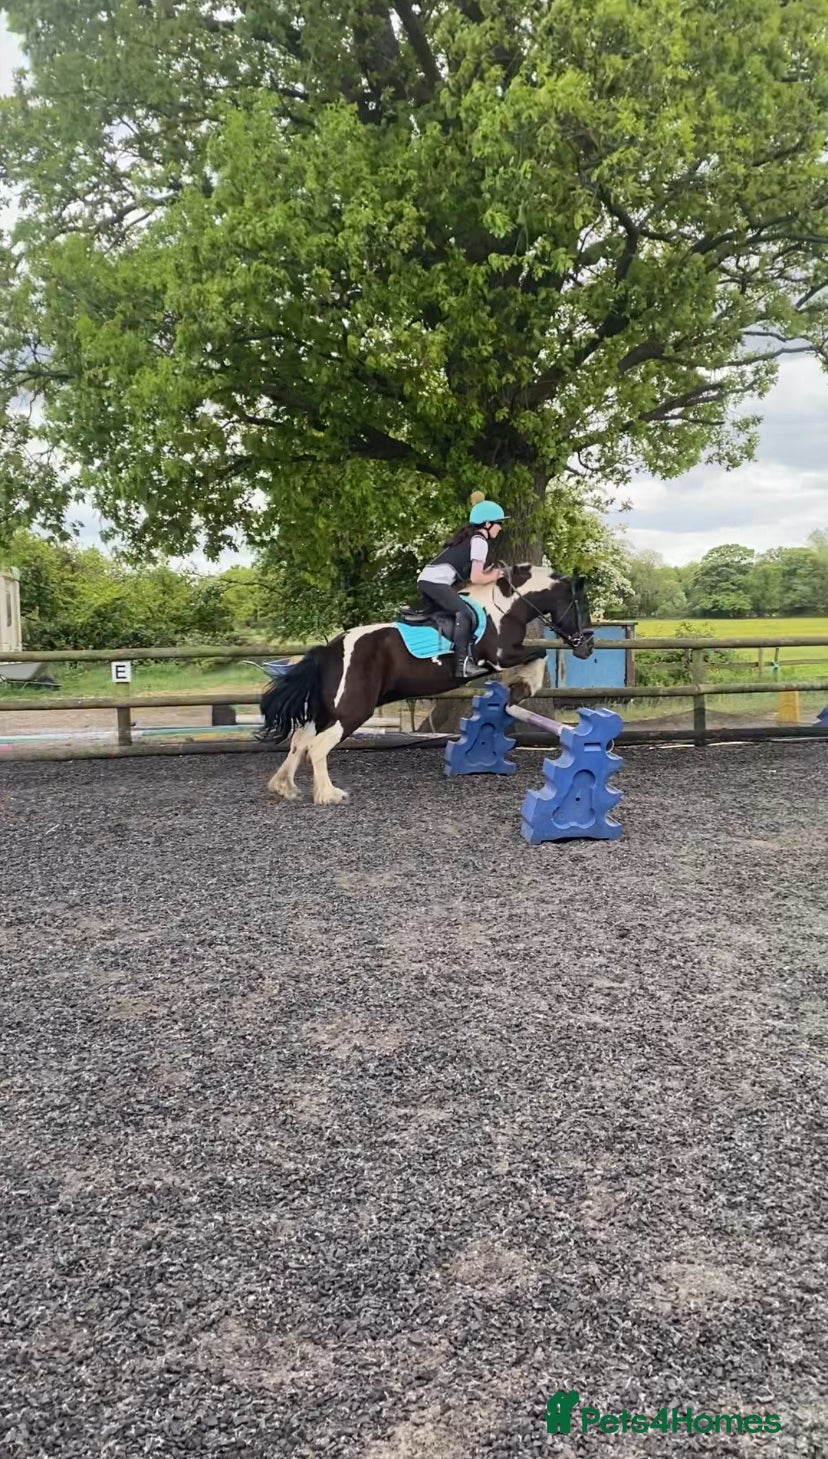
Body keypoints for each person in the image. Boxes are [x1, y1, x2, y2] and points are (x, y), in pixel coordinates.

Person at [417, 498, 506, 677]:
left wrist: (487, 574)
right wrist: (496, 575)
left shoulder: (471, 539)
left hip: (427, 581)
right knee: (465, 614)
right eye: (498, 523)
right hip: (435, 583)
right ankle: (462, 664)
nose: (500, 528)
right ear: (487, 524)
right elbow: (477, 578)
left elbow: (469, 575)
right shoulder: (480, 541)